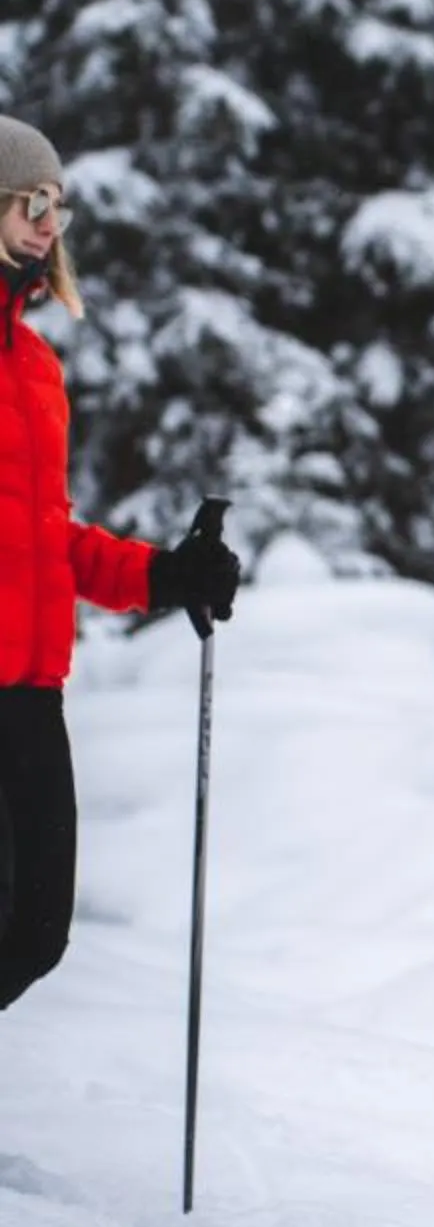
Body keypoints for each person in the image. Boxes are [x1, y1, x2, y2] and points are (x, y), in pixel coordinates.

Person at [0, 116, 241, 1010]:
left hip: (29, 694)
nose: (48, 222)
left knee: (34, 934)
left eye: (58, 205)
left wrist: (166, 575)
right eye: (32, 201)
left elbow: (43, 537)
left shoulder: (34, 369)